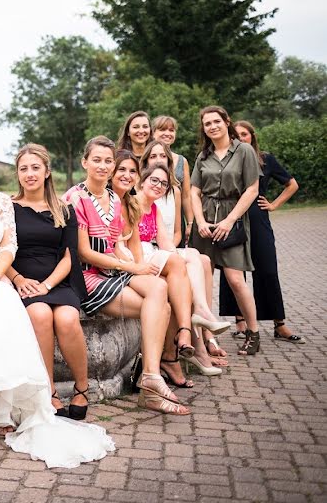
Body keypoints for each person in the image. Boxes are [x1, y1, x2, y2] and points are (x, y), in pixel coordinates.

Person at [0, 140, 114, 468]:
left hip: (13, 277)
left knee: (20, 311)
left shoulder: (10, 203)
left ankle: (68, 391)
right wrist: (3, 277)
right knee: (13, 313)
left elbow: (8, 247)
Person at [65, 138, 188, 415]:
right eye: (96, 160)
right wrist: (132, 267)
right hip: (87, 277)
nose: (103, 165)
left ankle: (151, 376)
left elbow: (116, 245)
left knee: (159, 289)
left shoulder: (113, 200)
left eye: (108, 161)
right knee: (161, 305)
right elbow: (85, 253)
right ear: (85, 162)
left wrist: (130, 263)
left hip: (111, 271)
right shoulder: (76, 197)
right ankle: (151, 380)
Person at [5, 144, 91, 420]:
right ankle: (49, 391)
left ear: (47, 172)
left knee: (66, 319)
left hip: (58, 281)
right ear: (17, 174)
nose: (29, 174)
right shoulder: (7, 208)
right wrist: (18, 279)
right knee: (39, 314)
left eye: (35, 168)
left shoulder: (64, 209)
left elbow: (69, 256)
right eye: (23, 169)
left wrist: (48, 285)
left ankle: (82, 387)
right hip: (23, 281)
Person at [107, 151, 196, 389]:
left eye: (131, 171)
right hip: (111, 266)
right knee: (167, 288)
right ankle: (158, 364)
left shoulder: (129, 203)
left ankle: (160, 363)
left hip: (132, 261)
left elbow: (136, 243)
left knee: (181, 279)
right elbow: (111, 246)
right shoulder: (109, 200)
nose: (126, 176)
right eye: (121, 170)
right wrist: (135, 267)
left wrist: (141, 266)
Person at [140, 141, 230, 369]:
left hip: (163, 248)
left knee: (199, 258)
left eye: (163, 156)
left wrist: (174, 253)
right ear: (145, 164)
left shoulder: (169, 195)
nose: (159, 159)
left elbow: (172, 236)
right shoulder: (136, 196)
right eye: (154, 156)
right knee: (191, 260)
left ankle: (203, 322)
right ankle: (197, 333)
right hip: (144, 254)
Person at [220, 120, 303, 343]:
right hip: (234, 219)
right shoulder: (227, 160)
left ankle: (279, 324)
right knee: (234, 271)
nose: (240, 138)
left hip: (258, 219)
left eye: (244, 134)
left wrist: (274, 204)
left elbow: (292, 184)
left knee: (267, 269)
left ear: (252, 136)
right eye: (236, 135)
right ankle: (240, 322)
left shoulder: (265, 159)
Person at [190, 106, 263, 355]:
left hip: (231, 218)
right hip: (206, 222)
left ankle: (253, 332)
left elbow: (252, 189)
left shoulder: (243, 151)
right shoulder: (203, 156)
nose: (212, 126)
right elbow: (194, 191)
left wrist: (230, 220)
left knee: (235, 280)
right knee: (203, 280)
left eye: (216, 121)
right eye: (207, 123)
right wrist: (199, 221)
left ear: (226, 122)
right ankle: (208, 338)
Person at [151, 116, 194, 246]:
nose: (167, 134)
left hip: (175, 220)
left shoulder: (182, 161)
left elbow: (186, 196)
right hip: (152, 217)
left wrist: (190, 223)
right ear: (153, 133)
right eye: (162, 130)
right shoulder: (149, 158)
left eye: (171, 130)